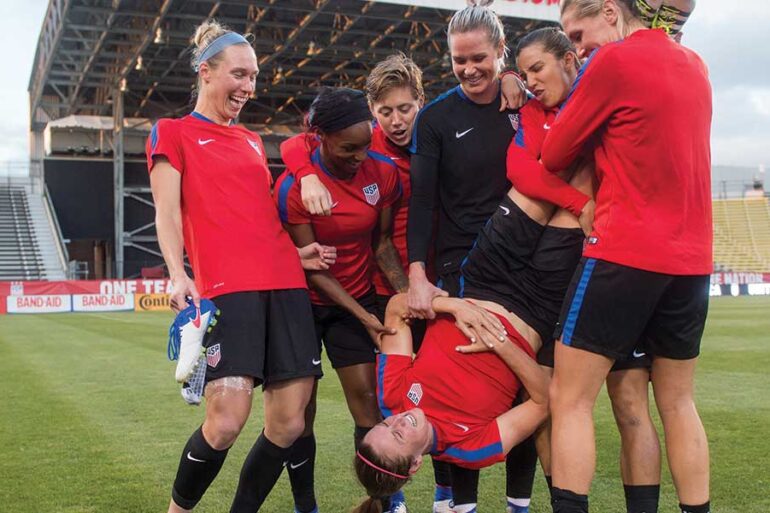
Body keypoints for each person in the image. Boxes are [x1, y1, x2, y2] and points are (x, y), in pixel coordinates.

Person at [148, 21, 327, 513]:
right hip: (228, 290)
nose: (249, 87)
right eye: (239, 75)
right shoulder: (173, 132)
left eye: (254, 77)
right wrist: (178, 272)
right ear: (206, 72)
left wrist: (297, 254)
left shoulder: (252, 141)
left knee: (289, 424)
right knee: (226, 422)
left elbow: (260, 217)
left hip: (286, 285)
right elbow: (166, 211)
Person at [543, 2, 712, 513]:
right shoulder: (696, 64)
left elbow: (553, 155)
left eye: (578, 32)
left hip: (623, 253)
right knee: (679, 403)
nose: (576, 47)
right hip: (691, 262)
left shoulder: (612, 63)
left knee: (569, 400)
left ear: (611, 12)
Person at [508, 27, 662, 513]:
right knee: (558, 405)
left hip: (619, 265)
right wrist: (580, 201)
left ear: (571, 59)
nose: (531, 80)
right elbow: (523, 171)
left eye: (538, 68)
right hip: (557, 275)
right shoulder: (532, 113)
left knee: (630, 400)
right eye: (524, 72)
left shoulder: (608, 91)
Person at [405, 2, 539, 510]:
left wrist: (514, 81)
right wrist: (419, 274)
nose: (469, 69)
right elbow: (422, 201)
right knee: (459, 393)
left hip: (530, 268)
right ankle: (456, 504)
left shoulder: (524, 104)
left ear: (501, 52)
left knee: (525, 393)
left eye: (480, 58)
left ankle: (518, 503)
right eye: (459, 60)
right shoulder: (436, 118)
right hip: (462, 271)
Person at [275, 87, 407, 513]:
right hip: (303, 304)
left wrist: (406, 297)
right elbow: (312, 266)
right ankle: (305, 506)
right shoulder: (293, 188)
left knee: (369, 403)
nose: (358, 156)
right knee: (300, 414)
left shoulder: (383, 173)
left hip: (358, 297)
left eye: (365, 145)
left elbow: (383, 244)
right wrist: (362, 315)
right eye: (348, 148)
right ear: (321, 139)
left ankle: (386, 502)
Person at [352, 293, 551, 513]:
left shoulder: (391, 398)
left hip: (483, 282)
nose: (397, 421)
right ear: (415, 463)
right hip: (536, 307)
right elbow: (544, 402)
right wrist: (500, 343)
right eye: (398, 435)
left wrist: (455, 306)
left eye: (384, 425)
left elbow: (396, 309)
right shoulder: (470, 447)